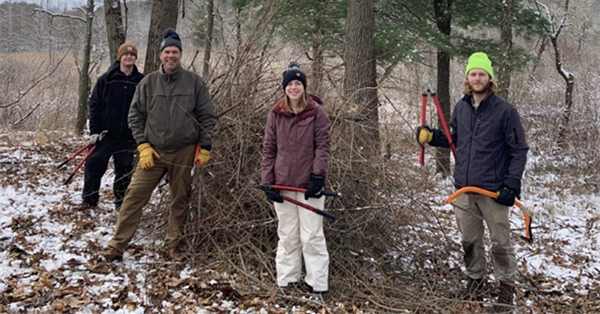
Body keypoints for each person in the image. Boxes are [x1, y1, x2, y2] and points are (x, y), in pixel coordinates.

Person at [416, 52, 528, 311]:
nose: (477, 78)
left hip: (494, 191)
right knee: (470, 240)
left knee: (500, 242)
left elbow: (519, 150)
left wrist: (511, 185)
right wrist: (431, 136)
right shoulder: (461, 108)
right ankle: (475, 282)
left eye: (482, 74)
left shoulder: (505, 111)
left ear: (490, 78)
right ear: (467, 77)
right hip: (464, 189)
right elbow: (455, 139)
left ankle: (506, 288)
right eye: (473, 74)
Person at [102, 28, 215, 262]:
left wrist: (206, 147)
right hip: (152, 152)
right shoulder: (148, 83)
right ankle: (116, 245)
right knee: (133, 196)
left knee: (180, 199)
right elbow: (135, 116)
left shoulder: (194, 83)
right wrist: (142, 145)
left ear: (180, 55)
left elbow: (206, 116)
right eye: (166, 52)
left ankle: (174, 246)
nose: (170, 56)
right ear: (160, 55)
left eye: (175, 52)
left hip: (184, 150)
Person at [261, 62, 332, 301]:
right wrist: (267, 181)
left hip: (309, 185)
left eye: (298, 83)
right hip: (282, 185)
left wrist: (318, 176)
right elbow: (269, 149)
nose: (294, 87)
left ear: (304, 87)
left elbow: (323, 146)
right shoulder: (275, 114)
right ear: (284, 88)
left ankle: (317, 285)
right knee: (287, 234)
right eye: (290, 83)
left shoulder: (316, 112)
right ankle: (287, 280)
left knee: (311, 236)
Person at [81, 43, 144, 211]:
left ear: (135, 58)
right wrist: (94, 131)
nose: (129, 57)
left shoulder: (141, 81)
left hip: (128, 136)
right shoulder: (106, 79)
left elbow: (146, 108)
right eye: (125, 55)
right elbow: (94, 105)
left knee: (124, 169)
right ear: (120, 57)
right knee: (94, 163)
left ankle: (121, 203)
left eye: (132, 55)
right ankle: (89, 200)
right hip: (105, 135)